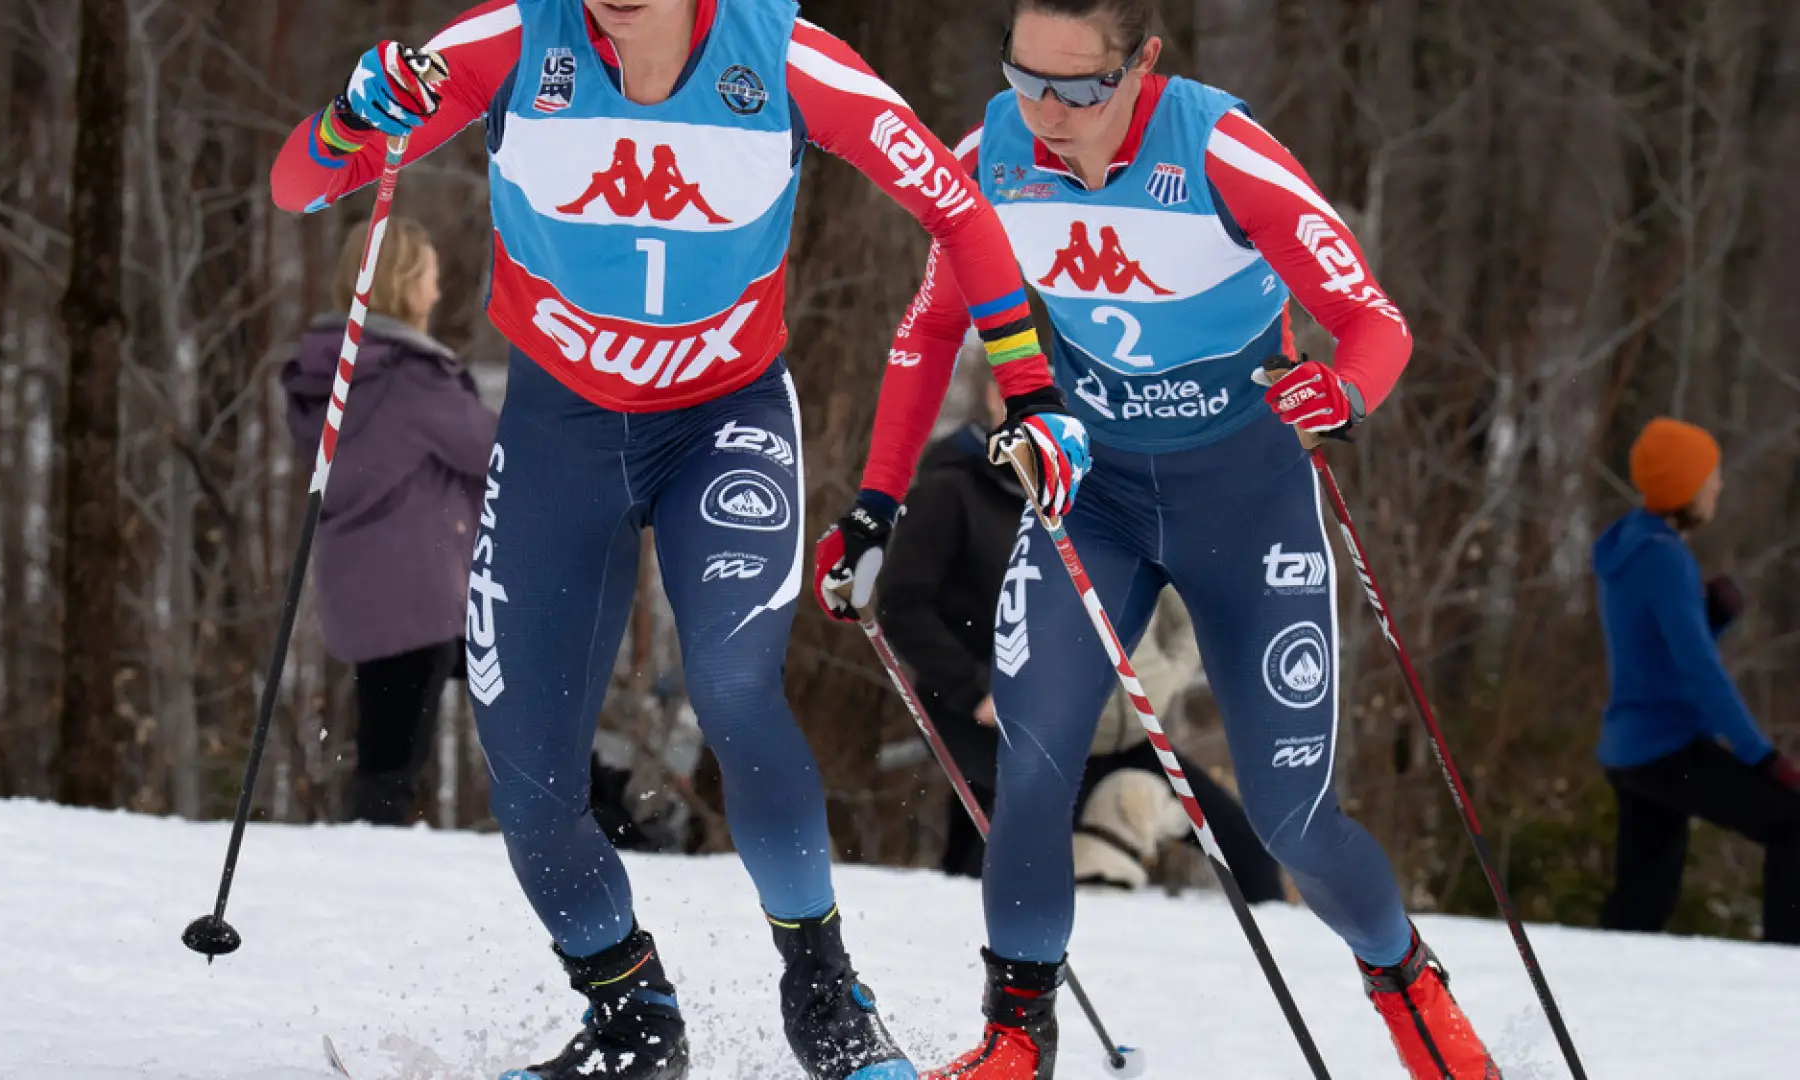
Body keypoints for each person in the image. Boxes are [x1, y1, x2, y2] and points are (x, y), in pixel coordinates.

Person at [269, 3, 1088, 1078]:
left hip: (722, 420)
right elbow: (300, 183)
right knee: (526, 771)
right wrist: (351, 117)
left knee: (734, 688)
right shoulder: (509, 43)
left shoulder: (782, 55)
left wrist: (1031, 390)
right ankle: (630, 1016)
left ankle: (825, 995)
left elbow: (960, 210)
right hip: (564, 430)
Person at [866, 1, 1503, 1076]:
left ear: (1142, 64)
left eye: (1080, 87)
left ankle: (1409, 988)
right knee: (1034, 762)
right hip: (1097, 497)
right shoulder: (991, 156)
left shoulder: (1220, 152)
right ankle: (1015, 1039)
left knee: (1293, 818)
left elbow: (1375, 323)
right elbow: (931, 327)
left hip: (1246, 504)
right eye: (1025, 78)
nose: (1048, 111)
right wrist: (877, 502)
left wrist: (1341, 391)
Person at [876, 365, 1283, 903]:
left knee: (1247, 855)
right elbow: (902, 606)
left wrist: (1167, 672)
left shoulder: (1094, 494)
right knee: (1005, 853)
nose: (1055, 411)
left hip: (1107, 731)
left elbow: (1168, 594)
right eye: (1035, 394)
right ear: (998, 397)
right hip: (993, 719)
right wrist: (975, 687)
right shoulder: (953, 490)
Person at [281, 217, 496, 827]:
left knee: (387, 747)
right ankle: (596, 812)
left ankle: (600, 799)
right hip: (423, 593)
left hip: (362, 590)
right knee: (397, 766)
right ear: (403, 283)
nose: (437, 290)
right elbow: (494, 449)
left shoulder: (330, 376)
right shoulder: (410, 379)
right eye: (428, 276)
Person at [1594, 418, 1800, 943]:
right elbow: (1700, 669)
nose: (1719, 485)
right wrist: (1761, 756)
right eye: (1711, 476)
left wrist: (1711, 618)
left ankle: (1606, 982)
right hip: (1667, 748)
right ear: (1686, 487)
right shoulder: (1666, 559)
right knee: (1792, 823)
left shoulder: (1628, 544)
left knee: (1643, 903)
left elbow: (1651, 648)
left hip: (1630, 748)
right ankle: (1786, 968)